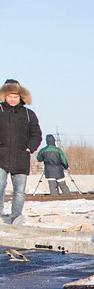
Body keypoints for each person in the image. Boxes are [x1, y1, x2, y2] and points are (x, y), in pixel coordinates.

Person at [0, 79, 41, 225]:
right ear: (4, 96)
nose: (12, 99)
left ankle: (16, 216)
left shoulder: (29, 114)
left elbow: (36, 134)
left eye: (15, 96)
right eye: (10, 96)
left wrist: (29, 148)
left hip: (20, 157)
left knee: (19, 190)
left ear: (21, 97)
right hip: (1, 156)